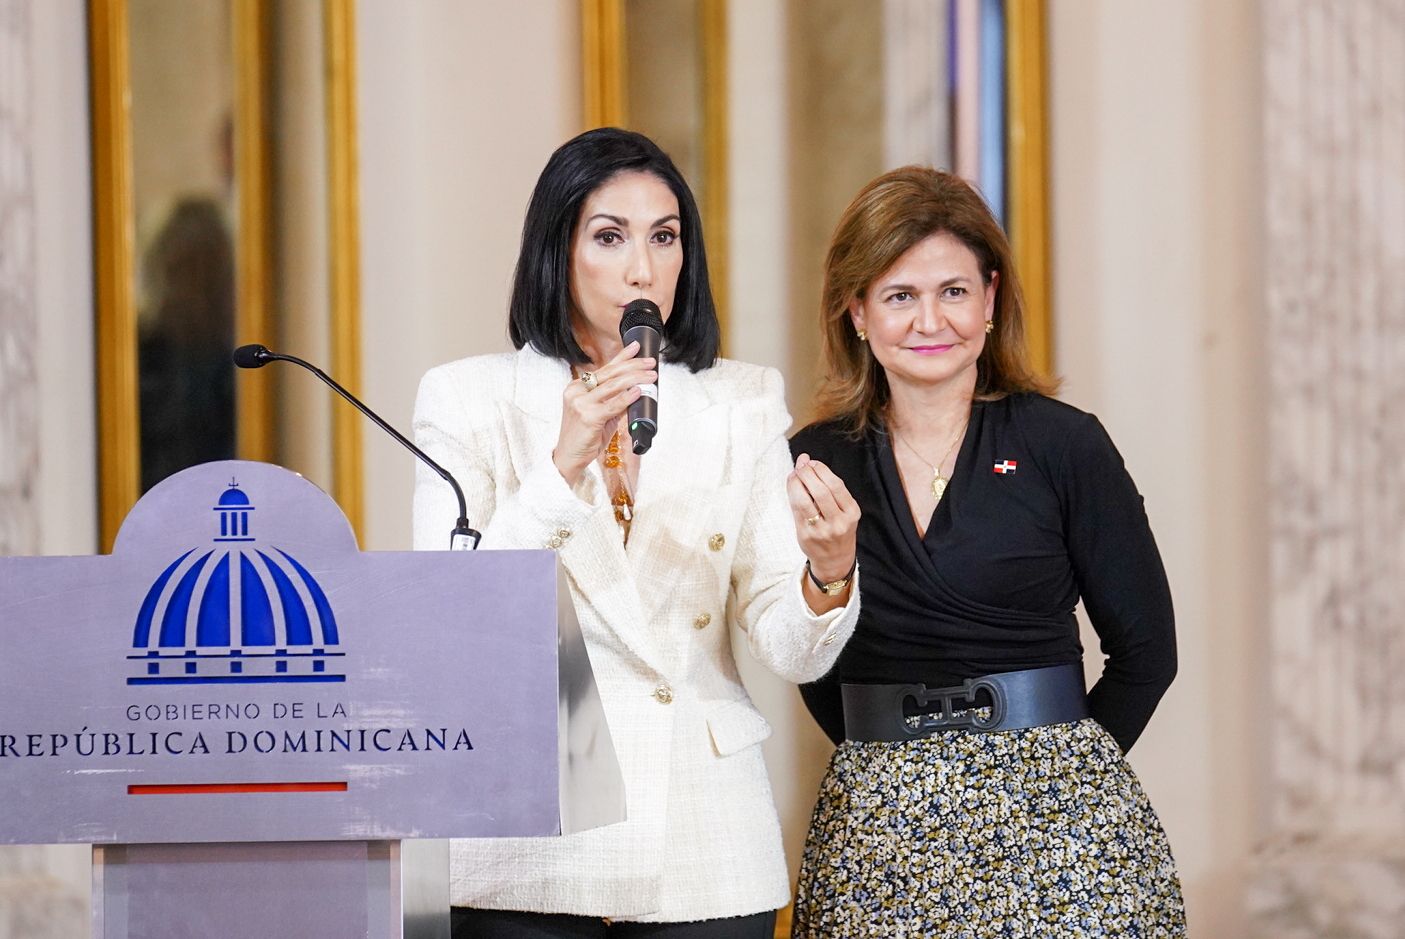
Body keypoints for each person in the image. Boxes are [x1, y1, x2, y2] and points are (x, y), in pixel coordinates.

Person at [411, 128, 861, 938]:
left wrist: (826, 574)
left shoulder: (741, 400)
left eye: (664, 237)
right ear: (557, 251)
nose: (642, 269)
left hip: (704, 834)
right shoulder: (467, 399)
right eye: (610, 237)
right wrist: (559, 466)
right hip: (530, 830)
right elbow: (455, 622)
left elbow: (790, 649)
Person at [788, 166, 1185, 937]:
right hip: (878, 827)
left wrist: (1062, 772)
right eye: (899, 295)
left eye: (953, 291)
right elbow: (806, 653)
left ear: (990, 299)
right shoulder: (811, 461)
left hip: (1063, 829)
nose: (929, 319)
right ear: (855, 309)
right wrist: (894, 760)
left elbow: (1147, 652)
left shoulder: (1063, 444)